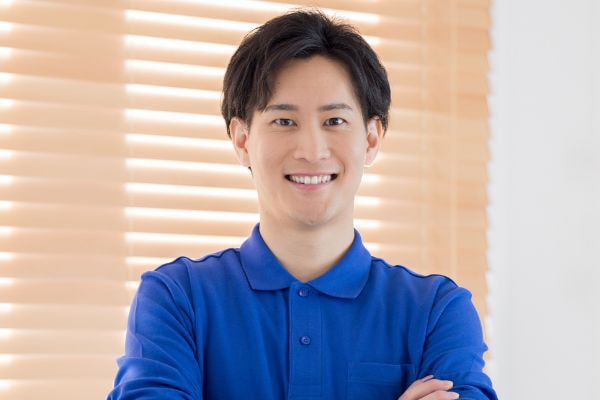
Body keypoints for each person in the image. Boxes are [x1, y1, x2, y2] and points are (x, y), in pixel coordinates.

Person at [107, 9, 498, 400]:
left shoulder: (437, 312)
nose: (312, 150)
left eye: (334, 121)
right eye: (284, 122)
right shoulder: (177, 299)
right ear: (242, 139)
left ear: (371, 140)